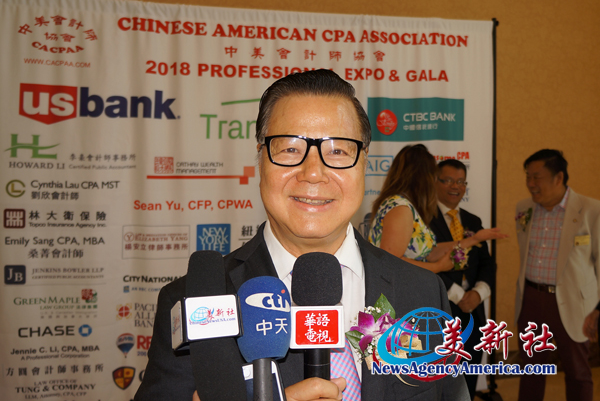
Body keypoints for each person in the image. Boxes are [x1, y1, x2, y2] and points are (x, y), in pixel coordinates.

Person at [135, 70, 470, 400]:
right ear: (260, 159)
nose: (313, 173)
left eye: (338, 151)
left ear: (364, 163)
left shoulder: (422, 292)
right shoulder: (194, 303)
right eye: (290, 149)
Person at [515, 149, 600, 401]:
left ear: (558, 177)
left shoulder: (591, 210)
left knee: (577, 372)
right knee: (531, 370)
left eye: (537, 177)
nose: (530, 183)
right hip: (531, 299)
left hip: (574, 302)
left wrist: (598, 309)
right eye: (528, 176)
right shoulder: (524, 208)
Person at [368, 145, 505, 273]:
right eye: (433, 175)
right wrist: (437, 267)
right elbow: (391, 261)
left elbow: (430, 253)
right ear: (423, 177)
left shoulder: (405, 205)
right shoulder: (400, 208)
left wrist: (474, 239)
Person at [429, 159, 495, 400]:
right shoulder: (423, 219)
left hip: (474, 311)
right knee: (441, 379)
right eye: (447, 180)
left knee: (469, 376)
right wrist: (458, 294)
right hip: (440, 310)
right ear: (435, 182)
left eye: (460, 182)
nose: (455, 187)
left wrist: (478, 293)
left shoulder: (472, 221)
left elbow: (487, 263)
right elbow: (423, 263)